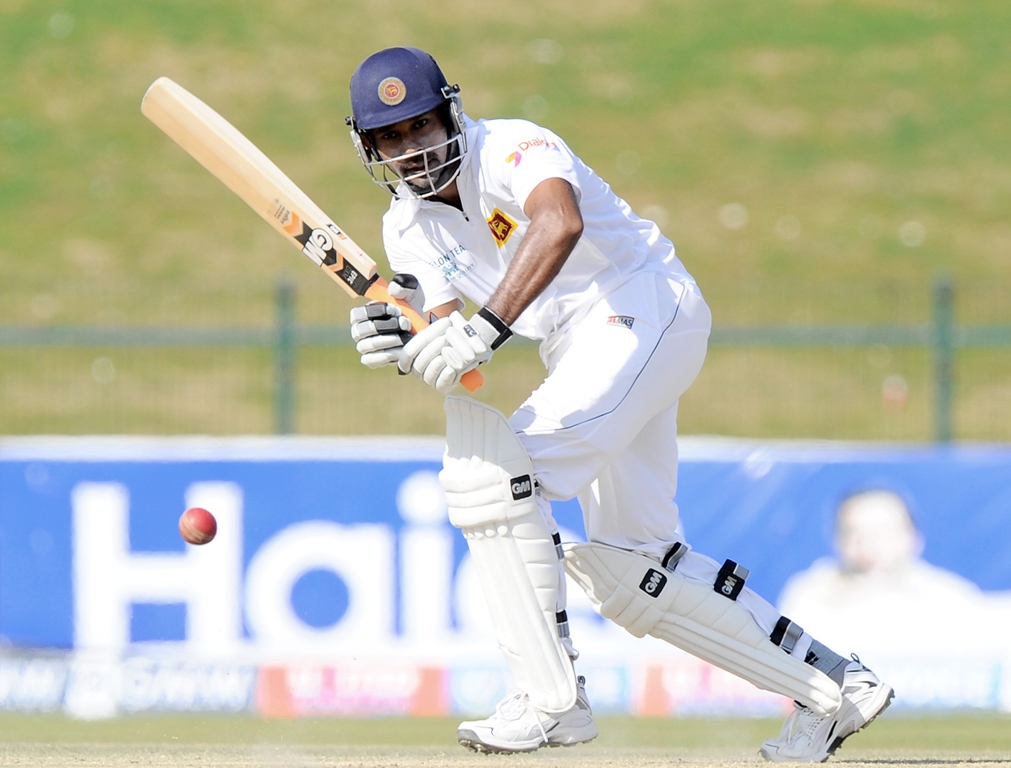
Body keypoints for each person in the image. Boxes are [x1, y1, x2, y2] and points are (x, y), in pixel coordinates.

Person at [344, 46, 893, 761]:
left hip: (640, 303)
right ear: (369, 146)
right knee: (632, 574)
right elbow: (444, 343)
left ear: (450, 111)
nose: (411, 149)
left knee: (494, 479)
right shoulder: (404, 226)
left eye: (420, 126)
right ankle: (834, 687)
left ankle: (550, 701)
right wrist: (400, 342)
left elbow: (557, 223)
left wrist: (482, 330)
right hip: (575, 344)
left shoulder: (513, 144)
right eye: (390, 137)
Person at [779, 488, 996, 657]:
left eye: (883, 533)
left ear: (914, 538)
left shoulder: (950, 598)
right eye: (855, 532)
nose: (869, 546)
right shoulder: (808, 594)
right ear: (837, 540)